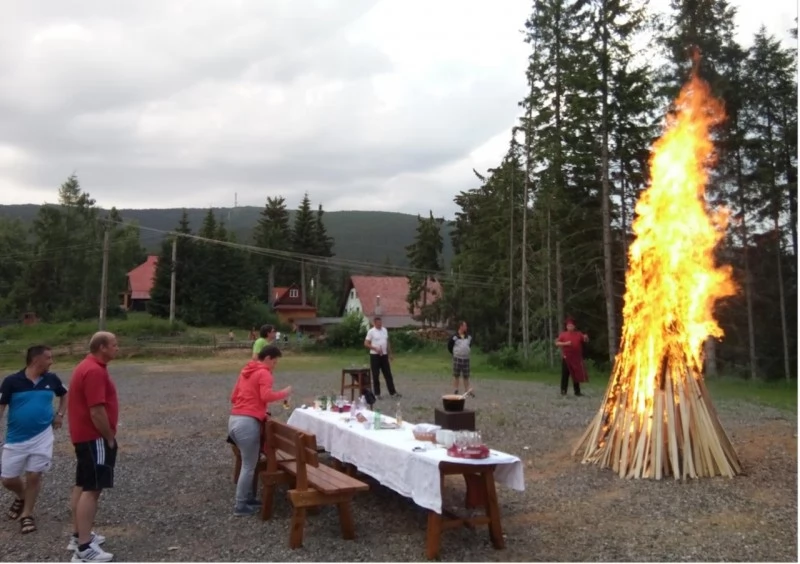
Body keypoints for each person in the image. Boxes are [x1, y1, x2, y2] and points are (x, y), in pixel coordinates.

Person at [0, 345, 67, 535]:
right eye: (48, 358)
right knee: (7, 479)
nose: (51, 361)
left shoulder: (51, 379)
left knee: (34, 475)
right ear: (36, 360)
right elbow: (1, 406)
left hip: (42, 436)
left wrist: (60, 414)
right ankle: (22, 496)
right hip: (16, 439)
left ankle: (27, 514)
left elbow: (64, 395)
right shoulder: (12, 381)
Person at [67, 332, 119, 562]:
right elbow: (96, 410)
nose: (117, 348)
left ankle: (79, 535)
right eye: (114, 345)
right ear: (102, 347)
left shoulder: (89, 366)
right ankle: (84, 548)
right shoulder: (94, 371)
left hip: (84, 436)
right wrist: (108, 437)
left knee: (82, 484)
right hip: (94, 437)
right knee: (92, 489)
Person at [228, 345, 291, 516]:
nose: (275, 365)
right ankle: (240, 505)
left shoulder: (246, 371)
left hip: (234, 420)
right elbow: (265, 396)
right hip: (247, 424)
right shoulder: (264, 373)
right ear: (269, 358)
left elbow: (234, 397)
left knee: (250, 462)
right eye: (275, 361)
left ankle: (248, 498)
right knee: (249, 465)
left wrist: (257, 408)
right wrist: (283, 393)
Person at [364, 316, 401, 399]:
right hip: (375, 355)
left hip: (384, 355)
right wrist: (375, 348)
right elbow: (366, 343)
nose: (380, 325)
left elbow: (387, 342)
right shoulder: (371, 332)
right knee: (376, 374)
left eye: (380, 323)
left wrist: (390, 353)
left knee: (388, 374)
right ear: (375, 323)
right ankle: (377, 394)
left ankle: (393, 392)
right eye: (378, 323)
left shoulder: (384, 330)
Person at [555, 317, 589, 396]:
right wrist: (565, 343)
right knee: (565, 375)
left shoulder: (578, 334)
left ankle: (577, 391)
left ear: (574, 327)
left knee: (576, 375)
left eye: (571, 326)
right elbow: (557, 343)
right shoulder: (563, 334)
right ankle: (563, 391)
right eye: (569, 326)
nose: (570, 327)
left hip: (576, 358)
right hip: (566, 358)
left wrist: (586, 338)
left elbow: (585, 341)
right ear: (566, 327)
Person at [447, 321, 473, 395]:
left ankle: (467, 390)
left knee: (466, 375)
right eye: (465, 326)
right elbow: (449, 346)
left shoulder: (468, 337)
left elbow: (469, 345)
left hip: (466, 358)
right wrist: (454, 353)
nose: (466, 327)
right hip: (457, 358)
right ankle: (456, 389)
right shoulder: (454, 337)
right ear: (461, 327)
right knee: (456, 375)